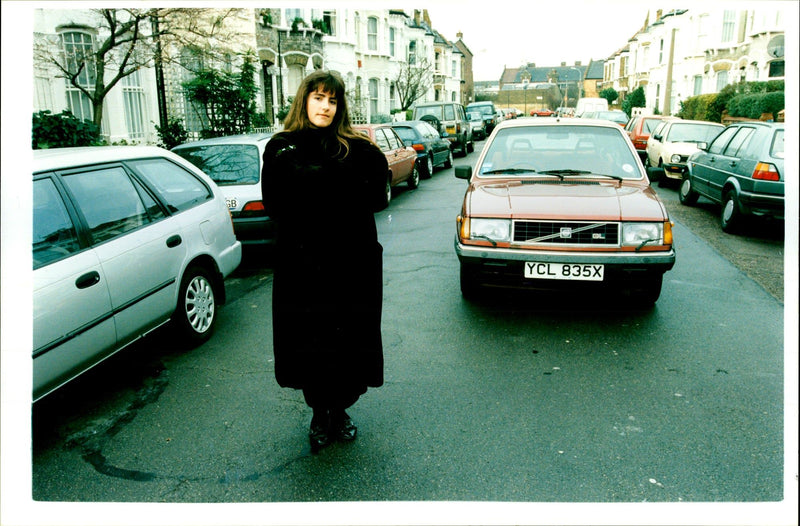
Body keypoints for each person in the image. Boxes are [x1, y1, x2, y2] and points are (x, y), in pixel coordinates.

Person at [260, 70, 389, 452]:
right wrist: (337, 188)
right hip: (304, 270)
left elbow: (378, 197)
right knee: (310, 344)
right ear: (304, 100)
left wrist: (325, 186)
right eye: (318, 98)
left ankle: (342, 410)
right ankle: (320, 412)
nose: (325, 106)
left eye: (332, 100)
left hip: (352, 268)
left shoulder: (357, 148)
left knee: (349, 343)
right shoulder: (283, 147)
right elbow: (275, 203)